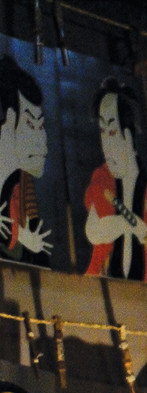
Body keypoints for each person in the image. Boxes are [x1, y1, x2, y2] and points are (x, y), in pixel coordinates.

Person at [83, 78, 147, 285]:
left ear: (128, 136)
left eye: (112, 132)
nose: (106, 145)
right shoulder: (103, 177)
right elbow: (94, 232)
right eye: (103, 132)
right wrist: (130, 224)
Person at [0, 55, 51, 267]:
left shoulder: (22, 181)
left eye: (41, 127)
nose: (43, 146)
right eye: (31, 125)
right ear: (10, 119)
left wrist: (27, 239)